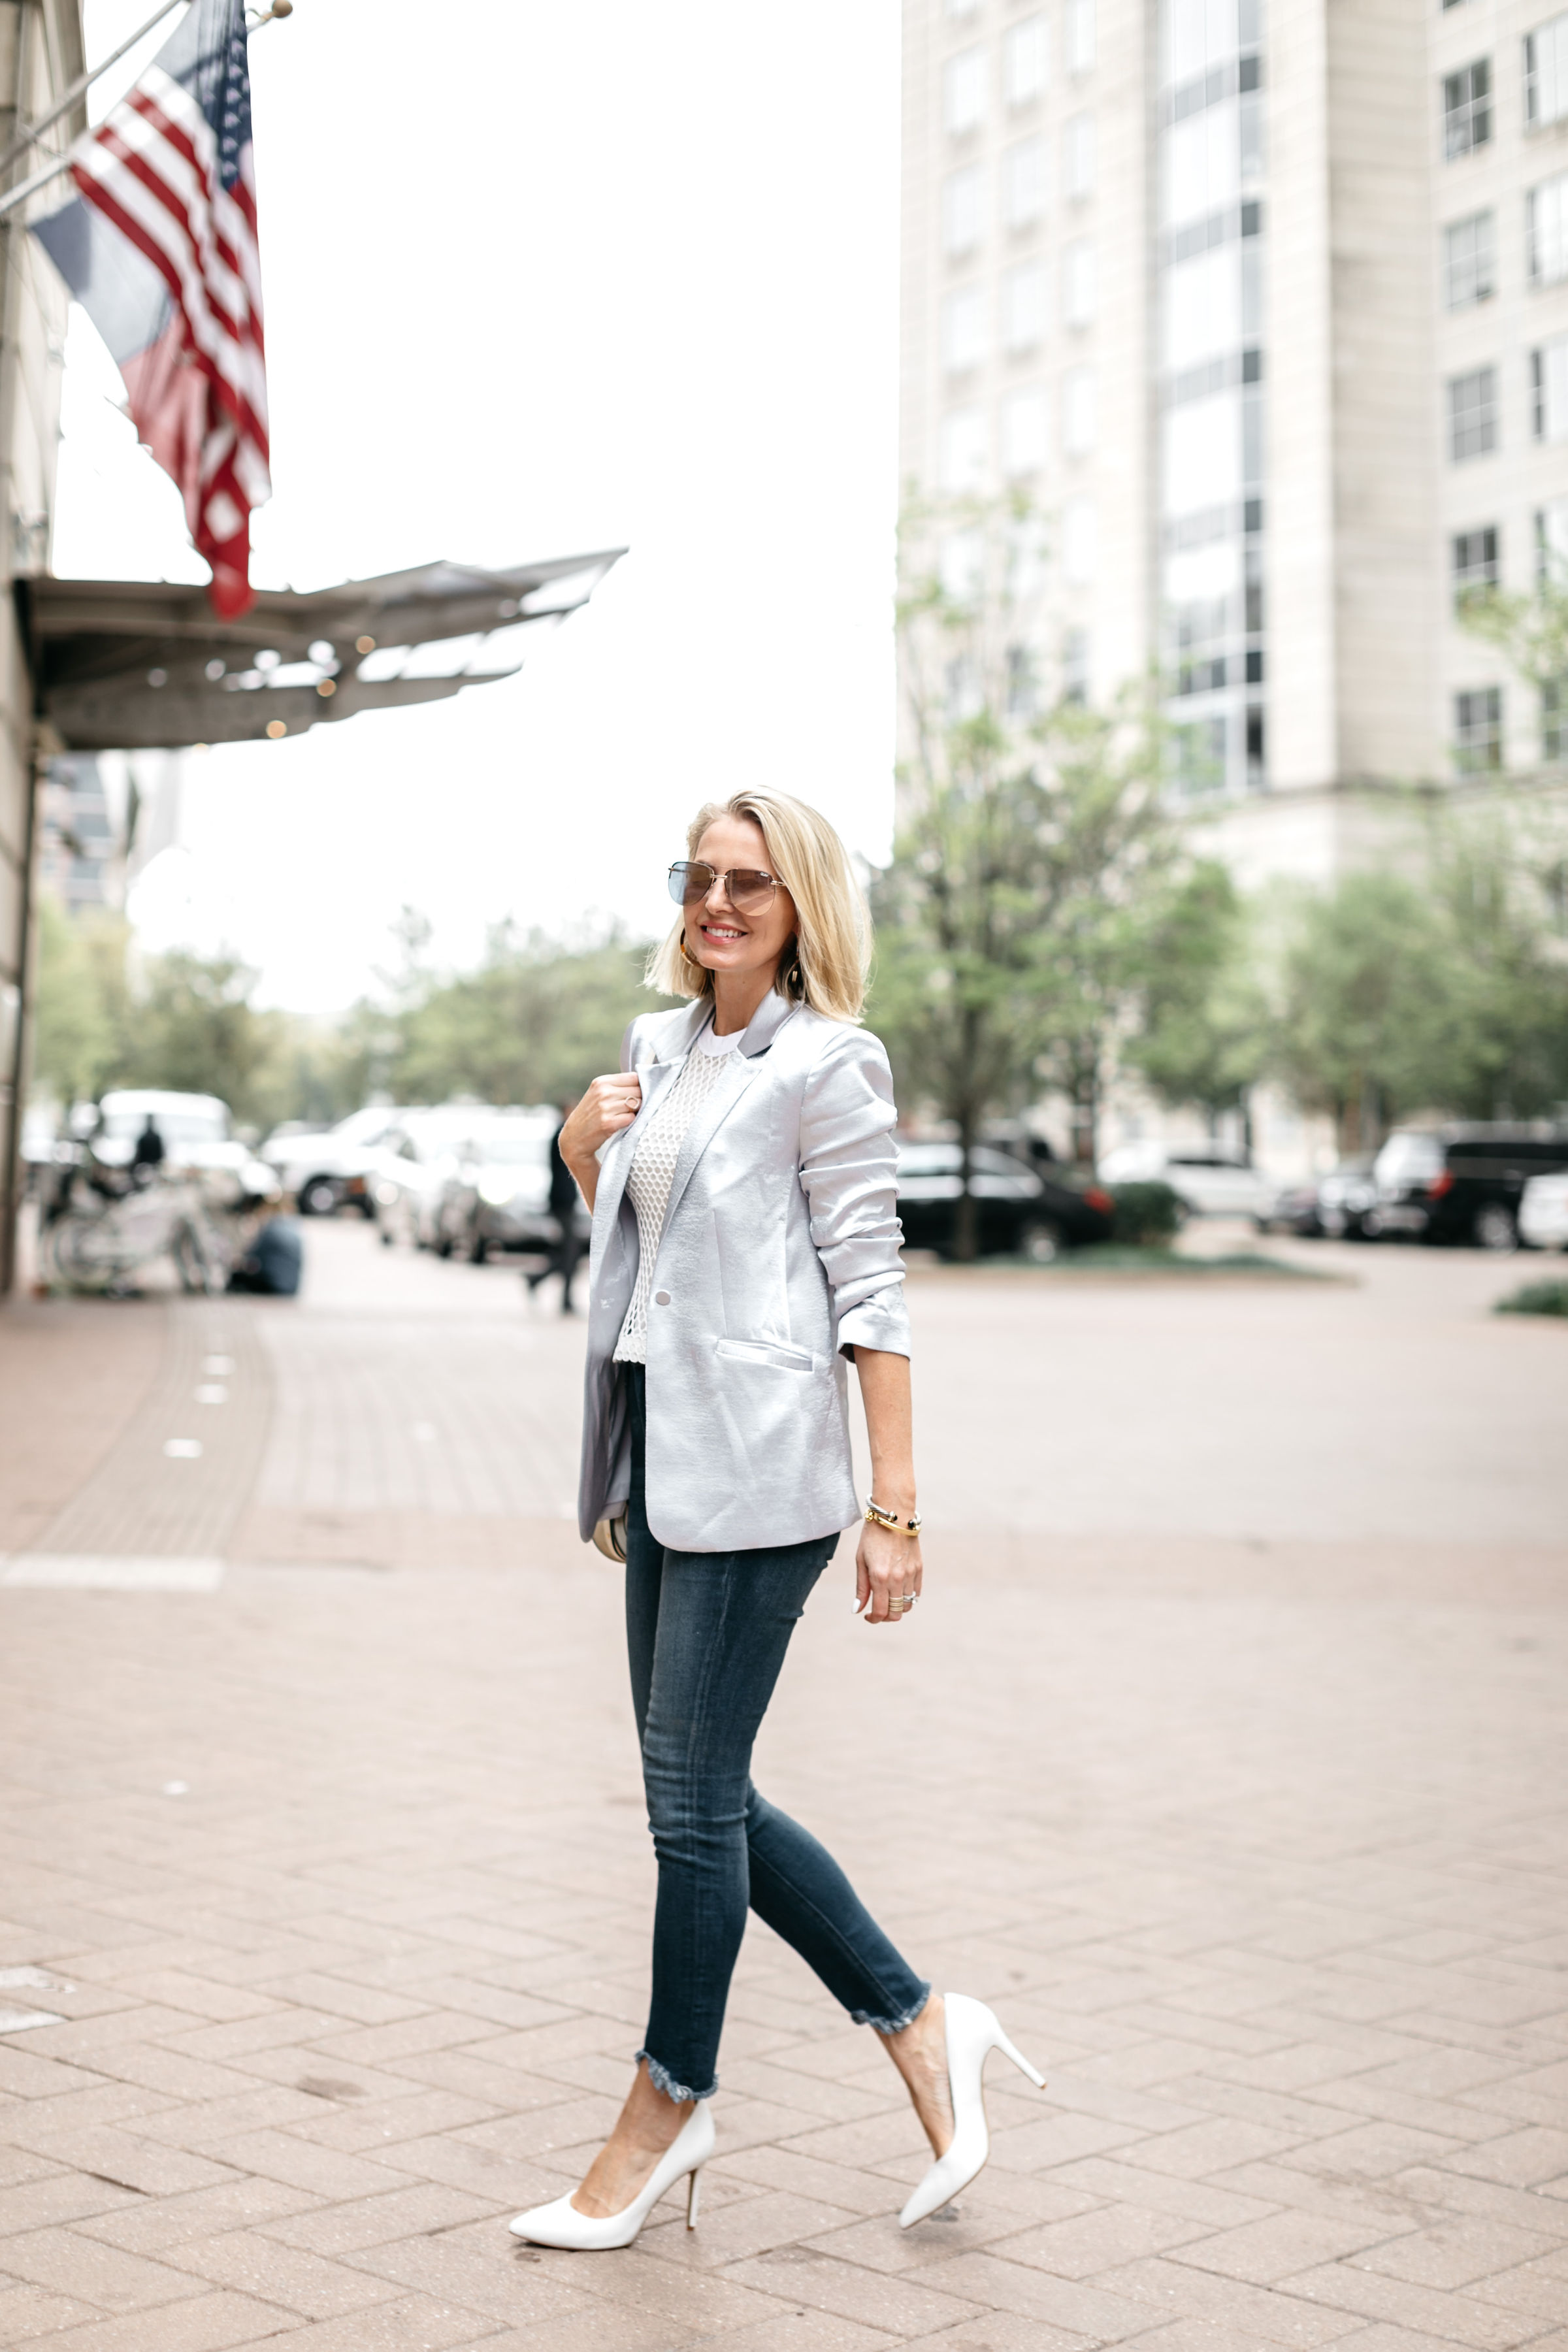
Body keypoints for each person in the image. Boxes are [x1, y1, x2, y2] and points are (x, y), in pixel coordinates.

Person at [508, 790, 1045, 2256]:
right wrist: (579, 1154)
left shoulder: (830, 1065)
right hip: (662, 1464)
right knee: (709, 1795)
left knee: (688, 1807)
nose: (718, 903)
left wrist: (896, 1510)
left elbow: (870, 1290)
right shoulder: (654, 1049)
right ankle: (925, 2021)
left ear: (801, 902)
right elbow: (644, 1255)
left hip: (767, 1476)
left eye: (749, 882)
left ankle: (670, 2102)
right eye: (699, 878)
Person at [525, 1098, 584, 1314]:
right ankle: (564, 1300)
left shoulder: (562, 1132)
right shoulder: (563, 1133)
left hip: (564, 1201)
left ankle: (536, 1280)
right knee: (570, 1253)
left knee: (568, 1253)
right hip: (562, 1201)